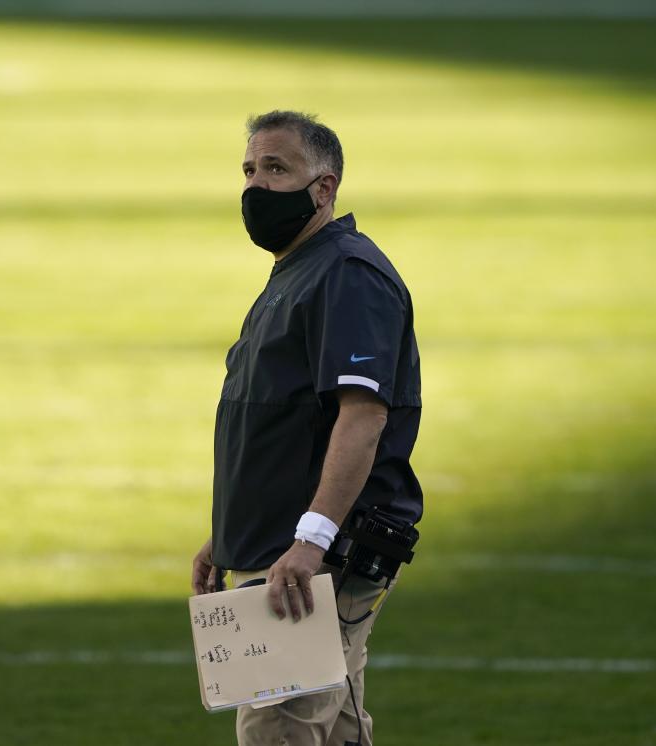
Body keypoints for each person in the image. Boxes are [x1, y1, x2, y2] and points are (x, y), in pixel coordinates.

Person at [191, 110, 423, 746]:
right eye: (249, 169)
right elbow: (276, 420)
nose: (256, 187)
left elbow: (363, 415)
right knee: (340, 730)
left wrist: (312, 540)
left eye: (276, 169)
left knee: (280, 732)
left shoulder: (346, 273)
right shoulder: (299, 270)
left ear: (324, 188)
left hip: (318, 556)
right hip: (282, 547)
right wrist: (229, 535)